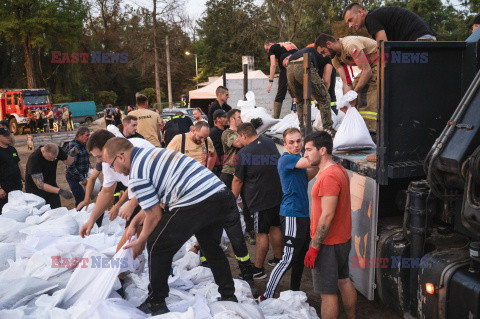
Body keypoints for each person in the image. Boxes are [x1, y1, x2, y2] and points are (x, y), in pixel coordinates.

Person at [104, 137, 238, 315]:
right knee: (211, 247)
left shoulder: (137, 172)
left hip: (196, 200)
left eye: (111, 165)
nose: (114, 170)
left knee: (157, 246)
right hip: (220, 195)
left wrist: (141, 240)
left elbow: (155, 215)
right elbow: (154, 203)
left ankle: (156, 302)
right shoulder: (152, 153)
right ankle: (228, 295)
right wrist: (136, 222)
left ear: (120, 157)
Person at [259, 128, 319, 301]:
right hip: (292, 215)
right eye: (291, 142)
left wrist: (318, 163)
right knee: (287, 259)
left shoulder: (297, 162)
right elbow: (310, 163)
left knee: (299, 259)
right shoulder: (287, 159)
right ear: (284, 144)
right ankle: (266, 295)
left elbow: (308, 174)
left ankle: (294, 293)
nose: (296, 145)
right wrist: (322, 151)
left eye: (299, 141)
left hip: (302, 215)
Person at [303, 131, 357, 319]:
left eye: (309, 150)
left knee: (328, 294)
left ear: (323, 150)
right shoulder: (339, 170)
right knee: (343, 281)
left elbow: (327, 215)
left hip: (328, 245)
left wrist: (314, 247)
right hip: (342, 240)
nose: (306, 154)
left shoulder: (328, 177)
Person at [232, 123, 283, 279]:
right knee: (275, 227)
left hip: (259, 199)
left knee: (261, 233)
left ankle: (258, 269)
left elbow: (237, 181)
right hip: (276, 195)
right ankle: (278, 259)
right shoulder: (269, 142)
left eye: (239, 137)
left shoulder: (244, 153)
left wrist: (231, 200)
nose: (239, 141)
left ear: (243, 136)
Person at [78, 129, 154, 230]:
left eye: (100, 156)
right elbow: (106, 192)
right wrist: (91, 220)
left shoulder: (135, 151)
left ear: (109, 148)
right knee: (135, 230)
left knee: (138, 230)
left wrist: (127, 204)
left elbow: (147, 184)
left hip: (161, 193)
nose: (98, 161)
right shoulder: (107, 162)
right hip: (143, 194)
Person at [315, 34, 378, 132]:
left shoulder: (350, 45)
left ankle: (371, 130)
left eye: (323, 52)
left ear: (329, 44)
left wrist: (354, 93)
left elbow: (367, 71)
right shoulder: (335, 58)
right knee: (356, 84)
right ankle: (359, 126)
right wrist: (347, 101)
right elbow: (346, 82)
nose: (323, 56)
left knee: (368, 88)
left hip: (382, 62)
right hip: (369, 66)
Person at [220, 109, 255, 244]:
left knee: (247, 204)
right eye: (239, 117)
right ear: (232, 120)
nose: (242, 119)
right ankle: (220, 231)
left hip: (243, 172)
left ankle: (249, 232)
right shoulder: (227, 133)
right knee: (225, 203)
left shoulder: (244, 133)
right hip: (229, 172)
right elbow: (239, 143)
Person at [287, 46, 333, 133]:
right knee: (324, 97)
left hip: (289, 67)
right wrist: (320, 99)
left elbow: (310, 87)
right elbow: (326, 81)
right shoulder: (328, 59)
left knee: (300, 101)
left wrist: (316, 98)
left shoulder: (312, 51)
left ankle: (304, 131)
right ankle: (328, 129)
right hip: (304, 64)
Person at [344, 3, 436, 44]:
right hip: (425, 38)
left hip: (420, 40)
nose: (350, 25)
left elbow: (383, 46)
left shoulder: (370, 18)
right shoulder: (375, 16)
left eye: (350, 20)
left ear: (360, 12)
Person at [25, 143, 75, 208]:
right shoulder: (34, 159)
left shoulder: (56, 150)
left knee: (56, 210)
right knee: (41, 215)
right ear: (43, 151)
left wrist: (72, 154)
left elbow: (67, 162)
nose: (52, 161)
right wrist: (60, 191)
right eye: (50, 158)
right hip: (35, 191)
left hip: (51, 186)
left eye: (54, 159)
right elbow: (40, 185)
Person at [264, 39, 298, 119]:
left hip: (287, 66)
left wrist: (271, 81)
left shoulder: (273, 47)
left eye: (267, 49)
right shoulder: (289, 43)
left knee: (281, 93)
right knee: (296, 92)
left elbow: (273, 65)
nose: (268, 52)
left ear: (270, 44)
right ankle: (295, 115)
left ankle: (275, 118)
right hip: (299, 66)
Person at [0, 128, 24, 213]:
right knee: (5, 213)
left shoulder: (12, 149)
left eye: (9, 134)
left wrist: (24, 179)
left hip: (17, 186)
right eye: (5, 135)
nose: (8, 137)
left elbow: (18, 164)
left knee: (18, 210)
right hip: (4, 189)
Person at [65, 126, 91, 207]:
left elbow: (84, 156)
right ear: (80, 135)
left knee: (84, 198)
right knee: (81, 200)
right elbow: (70, 165)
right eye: (87, 135)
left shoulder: (83, 144)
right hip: (73, 176)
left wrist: (89, 164)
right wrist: (81, 178)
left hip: (81, 175)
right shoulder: (74, 146)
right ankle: (80, 216)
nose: (88, 137)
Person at [209, 109, 227, 177]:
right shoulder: (214, 132)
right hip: (218, 167)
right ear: (218, 119)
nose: (226, 119)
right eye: (224, 117)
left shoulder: (226, 129)